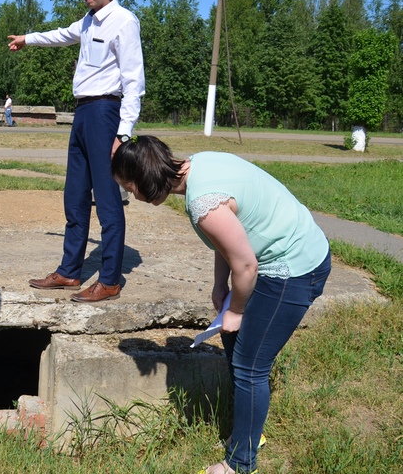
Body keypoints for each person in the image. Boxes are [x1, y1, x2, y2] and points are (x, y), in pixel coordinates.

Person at [111, 135, 332, 474]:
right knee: (234, 341)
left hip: (295, 267)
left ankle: (241, 463)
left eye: (131, 188)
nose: (133, 196)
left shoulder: (202, 204)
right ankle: (247, 431)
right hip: (285, 254)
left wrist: (236, 309)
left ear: (146, 180)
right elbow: (228, 240)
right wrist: (220, 286)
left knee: (250, 365)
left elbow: (246, 266)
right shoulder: (199, 164)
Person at [7, 0, 145, 303]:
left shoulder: (124, 21)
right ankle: (70, 272)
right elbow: (61, 35)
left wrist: (123, 133)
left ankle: (110, 279)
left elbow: (134, 82)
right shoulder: (87, 22)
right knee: (76, 196)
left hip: (105, 113)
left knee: (108, 200)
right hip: (82, 113)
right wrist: (28, 38)